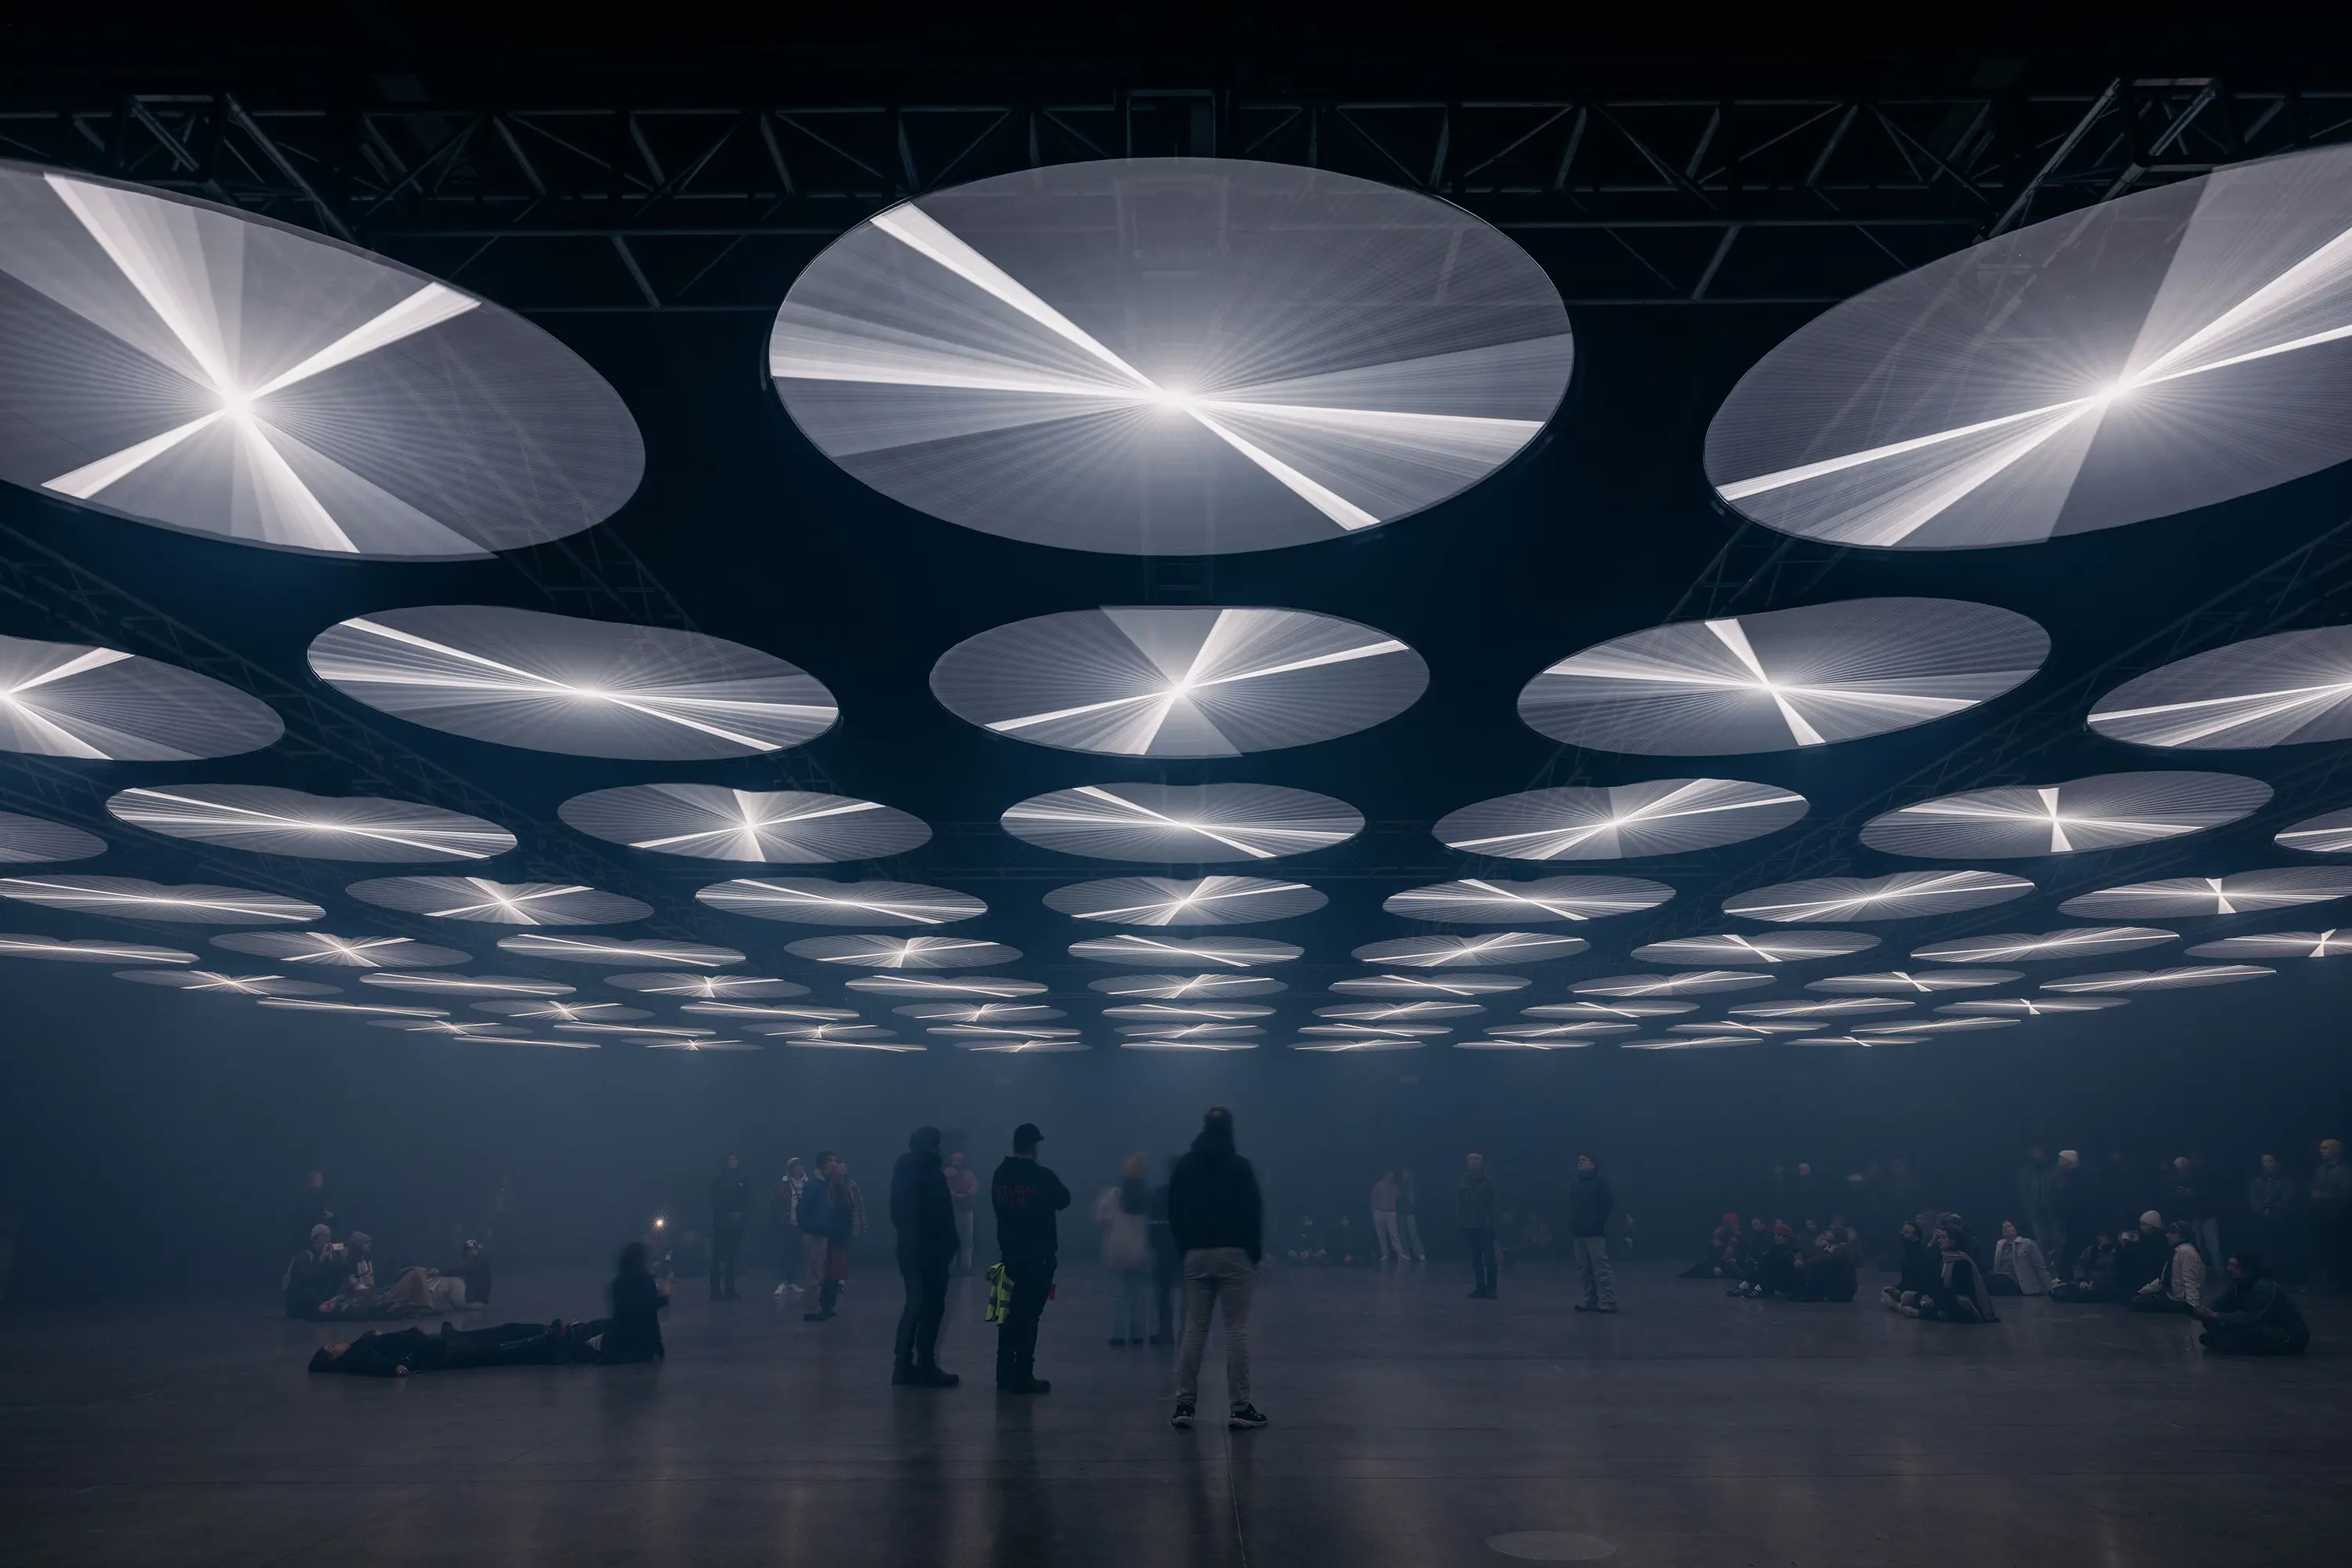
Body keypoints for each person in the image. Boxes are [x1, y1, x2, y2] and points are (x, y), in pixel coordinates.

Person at [1167, 1105, 1267, 1432]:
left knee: (1194, 1328)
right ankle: (1240, 1407)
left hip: (1196, 1253)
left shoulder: (1186, 1165)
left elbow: (1174, 1211)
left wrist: (1186, 1248)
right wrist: (1253, 1252)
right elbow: (1254, 1211)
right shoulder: (1240, 1167)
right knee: (1236, 1329)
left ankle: (1184, 1404)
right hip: (1236, 1254)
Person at [990, 1122, 1070, 1395]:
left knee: (1006, 1315)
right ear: (1035, 1147)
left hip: (1007, 1255)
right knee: (1029, 1317)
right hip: (1038, 1258)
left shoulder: (999, 1174)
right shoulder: (1042, 1176)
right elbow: (1065, 1199)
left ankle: (1003, 1372)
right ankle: (1023, 1373)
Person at [890, 1126, 960, 1388]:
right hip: (932, 1252)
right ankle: (926, 1366)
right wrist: (950, 1242)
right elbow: (941, 1213)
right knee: (932, 1307)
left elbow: (897, 1212)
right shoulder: (931, 1172)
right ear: (934, 1145)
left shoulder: (901, 1172)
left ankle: (903, 1367)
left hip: (909, 1249)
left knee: (914, 1305)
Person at [2195, 1251, 2311, 1355]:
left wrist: (2215, 1315)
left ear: (2247, 1269)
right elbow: (2220, 1304)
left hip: (2286, 1333)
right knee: (2211, 1321)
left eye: (2233, 1266)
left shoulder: (2265, 1287)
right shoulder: (2237, 1284)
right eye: (2229, 1264)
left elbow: (2252, 1317)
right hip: (2259, 1326)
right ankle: (2229, 1342)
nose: (2229, 1268)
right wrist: (2201, 1313)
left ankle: (2231, 1343)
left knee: (2252, 1332)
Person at [1096, 1155, 1152, 1346]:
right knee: (1140, 1295)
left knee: (1120, 1295)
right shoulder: (1148, 1196)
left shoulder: (1114, 1195)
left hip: (1118, 1250)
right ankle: (1138, 1335)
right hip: (1141, 1251)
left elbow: (1101, 1218)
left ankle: (1119, 1335)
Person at [804, 1157, 858, 1323]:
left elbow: (851, 1208)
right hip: (831, 1233)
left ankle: (829, 1305)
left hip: (841, 1234)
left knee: (836, 1271)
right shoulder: (829, 1187)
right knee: (826, 1271)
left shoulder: (847, 1186)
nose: (841, 1169)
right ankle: (822, 1305)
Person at [603, 1241, 670, 1362]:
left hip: (620, 1340)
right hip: (642, 1346)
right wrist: (664, 1296)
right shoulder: (645, 1280)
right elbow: (646, 1309)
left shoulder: (618, 1282)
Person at [1566, 1152, 1617, 1313]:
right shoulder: (1576, 1185)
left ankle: (1609, 1300)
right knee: (1584, 1269)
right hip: (1579, 1233)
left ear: (1593, 1164)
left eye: (1584, 1160)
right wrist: (1572, 1223)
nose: (1580, 1163)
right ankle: (1590, 1300)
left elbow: (1608, 1206)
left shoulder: (1600, 1184)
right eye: (1579, 1160)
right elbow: (1573, 1207)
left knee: (1601, 1267)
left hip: (1594, 1232)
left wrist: (1597, 1222)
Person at [2246, 1153, 2299, 1289]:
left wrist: (2272, 1209)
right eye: (2265, 1162)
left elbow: (2288, 1198)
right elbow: (2254, 1199)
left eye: (2270, 1161)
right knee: (2265, 1251)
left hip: (2282, 1221)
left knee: (2283, 1250)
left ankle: (2287, 1281)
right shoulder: (2257, 1181)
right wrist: (2263, 1209)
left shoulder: (2287, 1179)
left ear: (2277, 1162)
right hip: (2262, 1223)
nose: (2267, 1164)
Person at [2132, 1221, 2207, 1315]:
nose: (2168, 1235)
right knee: (2136, 1299)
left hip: (2181, 1301)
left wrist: (2193, 1307)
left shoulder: (2186, 1252)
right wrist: (2141, 1292)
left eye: (2172, 1233)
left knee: (2138, 1303)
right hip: (2172, 1296)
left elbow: (2191, 1281)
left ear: (2181, 1235)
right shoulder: (2176, 1250)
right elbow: (2162, 1280)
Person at [282, 1225, 350, 1319]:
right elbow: (305, 1279)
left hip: (319, 1298)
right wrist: (321, 1259)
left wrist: (343, 1259)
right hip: (300, 1301)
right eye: (325, 1236)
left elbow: (339, 1276)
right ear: (315, 1239)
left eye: (330, 1235)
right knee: (306, 1292)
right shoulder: (304, 1255)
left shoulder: (328, 1257)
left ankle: (328, 1307)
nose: (329, 1239)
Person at [2166, 1156, 2219, 1273]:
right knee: (2196, 1247)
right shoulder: (2174, 1180)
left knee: (2213, 1246)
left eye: (2184, 1167)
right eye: (2179, 1168)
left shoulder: (2199, 1177)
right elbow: (2170, 1197)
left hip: (2206, 1215)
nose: (2182, 1170)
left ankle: (2219, 1272)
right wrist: (2178, 1194)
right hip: (2190, 1217)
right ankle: (2200, 1273)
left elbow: (2209, 1193)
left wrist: (2194, 1193)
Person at [710, 1152, 750, 1301]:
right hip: (721, 1225)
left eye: (735, 1159)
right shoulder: (718, 1180)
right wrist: (728, 1215)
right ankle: (714, 1289)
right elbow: (715, 1202)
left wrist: (742, 1214)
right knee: (718, 1257)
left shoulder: (743, 1180)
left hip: (737, 1225)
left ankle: (730, 1289)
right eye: (730, 1159)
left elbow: (748, 1200)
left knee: (732, 1258)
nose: (733, 1162)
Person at [2310, 1138, 2350, 1290]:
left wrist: (2323, 1196)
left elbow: (2346, 1193)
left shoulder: (2345, 1170)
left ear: (2335, 1150)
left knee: (2339, 1249)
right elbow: (2313, 1185)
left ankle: (2341, 1282)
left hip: (2339, 1217)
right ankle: (2328, 1281)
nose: (2321, 1151)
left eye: (2325, 1148)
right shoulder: (2321, 1169)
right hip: (2322, 1216)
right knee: (2324, 1249)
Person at [1458, 1152, 1499, 1299]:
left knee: (1489, 1258)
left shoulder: (1489, 1181)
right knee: (1476, 1258)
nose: (1473, 1162)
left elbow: (1494, 1204)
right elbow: (1461, 1204)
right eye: (1470, 1159)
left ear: (1482, 1162)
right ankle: (1480, 1287)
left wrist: (1491, 1222)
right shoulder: (1463, 1181)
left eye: (1476, 1159)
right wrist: (1462, 1221)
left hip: (1486, 1225)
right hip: (1469, 1225)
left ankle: (1492, 1289)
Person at [2052, 1229, 2125, 1303]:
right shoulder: (2092, 1250)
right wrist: (2082, 1280)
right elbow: (2079, 1266)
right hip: (2088, 1282)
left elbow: (2118, 1273)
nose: (2099, 1238)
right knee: (2065, 1290)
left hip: (2106, 1285)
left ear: (2111, 1238)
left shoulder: (2119, 1253)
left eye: (2102, 1236)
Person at [1878, 1220, 1938, 1310]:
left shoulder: (1922, 1254)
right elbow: (1906, 1279)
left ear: (1915, 1237)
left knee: (1905, 1297)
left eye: (1906, 1232)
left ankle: (1905, 1308)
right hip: (1907, 1289)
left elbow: (1923, 1281)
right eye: (1902, 1231)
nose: (1902, 1234)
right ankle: (1902, 1307)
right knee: (1885, 1292)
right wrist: (1896, 1288)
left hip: (1921, 1292)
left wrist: (1902, 1291)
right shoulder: (1905, 1255)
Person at [771, 1157, 809, 1300]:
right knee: (784, 1253)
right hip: (785, 1225)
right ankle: (782, 1282)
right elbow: (774, 1205)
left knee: (796, 1254)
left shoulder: (808, 1185)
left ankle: (792, 1282)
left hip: (802, 1226)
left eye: (801, 1166)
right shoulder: (782, 1185)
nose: (799, 1169)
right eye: (796, 1167)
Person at [1791, 1227, 1857, 1302]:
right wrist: (1798, 1259)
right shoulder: (1827, 1248)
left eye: (1830, 1232)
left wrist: (1804, 1264)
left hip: (1843, 1292)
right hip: (1832, 1288)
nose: (1826, 1233)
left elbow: (1823, 1259)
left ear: (1837, 1236)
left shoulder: (1843, 1251)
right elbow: (1804, 1254)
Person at [1989, 1220, 2052, 1296]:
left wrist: (2050, 1287)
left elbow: (2039, 1266)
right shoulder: (2000, 1245)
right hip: (1999, 1277)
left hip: (2015, 1280)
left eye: (2009, 1227)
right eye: (2003, 1228)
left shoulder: (2027, 1243)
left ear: (2016, 1229)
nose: (2005, 1229)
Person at [946, 1152, 980, 1276]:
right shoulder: (947, 1174)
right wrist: (952, 1194)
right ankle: (951, 1265)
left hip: (966, 1210)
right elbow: (944, 1186)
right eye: (955, 1161)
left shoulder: (969, 1174)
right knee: (952, 1238)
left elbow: (974, 1187)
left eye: (959, 1161)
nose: (957, 1164)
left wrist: (964, 1195)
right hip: (953, 1210)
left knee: (967, 1239)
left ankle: (966, 1266)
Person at [1682, 1213, 1744, 1279]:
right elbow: (1716, 1252)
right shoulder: (1717, 1234)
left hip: (1731, 1262)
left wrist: (1735, 1259)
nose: (1735, 1225)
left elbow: (1740, 1250)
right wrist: (1716, 1265)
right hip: (1719, 1261)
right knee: (1700, 1267)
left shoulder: (1737, 1235)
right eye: (1733, 1223)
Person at [289, 1171, 333, 1254]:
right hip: (308, 1242)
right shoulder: (304, 1201)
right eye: (319, 1179)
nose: (322, 1182)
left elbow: (338, 1247)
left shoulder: (321, 1199)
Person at [1370, 1170, 1405, 1262]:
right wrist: (1374, 1210)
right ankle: (1385, 1254)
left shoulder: (1394, 1186)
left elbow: (1398, 1198)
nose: (1393, 1175)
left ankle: (1400, 1254)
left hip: (1391, 1212)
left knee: (1394, 1234)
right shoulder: (1379, 1184)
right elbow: (1373, 1197)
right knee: (1381, 1235)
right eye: (1391, 1173)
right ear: (1387, 1174)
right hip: (1379, 1212)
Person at [1396, 1168, 1427, 1262]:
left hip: (1410, 1212)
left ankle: (1420, 1253)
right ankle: (1406, 1254)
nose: (1405, 1175)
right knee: (1402, 1234)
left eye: (1407, 1174)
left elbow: (1415, 1200)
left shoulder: (1413, 1187)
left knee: (1413, 1233)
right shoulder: (1400, 1187)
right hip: (1401, 1212)